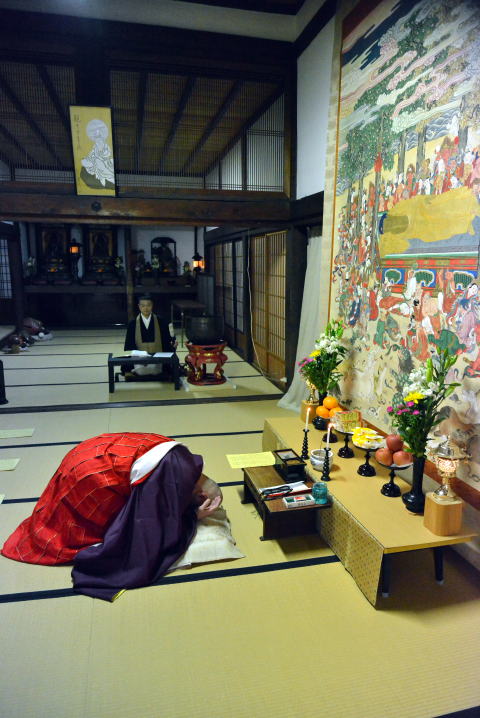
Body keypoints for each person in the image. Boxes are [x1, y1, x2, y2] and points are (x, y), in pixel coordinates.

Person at [1, 433, 222, 600]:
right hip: (92, 475)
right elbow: (151, 527)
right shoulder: (170, 475)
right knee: (116, 539)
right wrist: (192, 516)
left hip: (91, 451)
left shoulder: (182, 456)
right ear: (201, 494)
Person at [124, 295, 177, 378]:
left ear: (152, 306)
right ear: (139, 306)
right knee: (137, 369)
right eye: (143, 306)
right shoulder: (132, 324)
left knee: (162, 369)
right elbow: (130, 345)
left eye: (148, 305)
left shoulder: (161, 321)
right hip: (140, 357)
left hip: (157, 356)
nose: (146, 308)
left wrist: (173, 345)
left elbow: (167, 341)